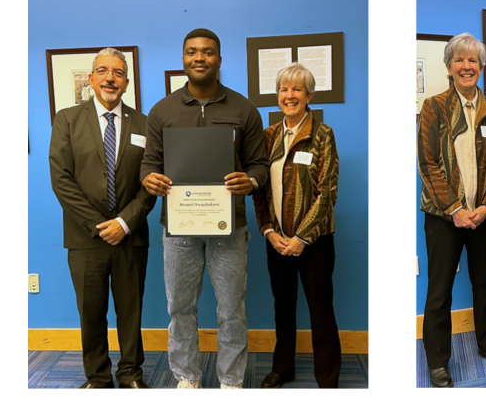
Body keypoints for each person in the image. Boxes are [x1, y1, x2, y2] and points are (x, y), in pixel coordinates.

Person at [140, 28, 269, 389]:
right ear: (183, 59)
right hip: (179, 228)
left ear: (219, 60)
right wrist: (150, 179)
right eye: (193, 52)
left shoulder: (244, 109)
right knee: (180, 308)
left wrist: (252, 181)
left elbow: (260, 165)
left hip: (230, 228)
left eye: (208, 52)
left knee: (231, 310)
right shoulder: (162, 111)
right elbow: (148, 164)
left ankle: (231, 380)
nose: (200, 58)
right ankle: (187, 376)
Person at [49, 48, 156, 388]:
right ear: (92, 78)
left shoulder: (144, 124)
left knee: (130, 311)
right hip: (85, 238)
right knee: (91, 312)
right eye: (104, 71)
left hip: (131, 234)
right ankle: (97, 376)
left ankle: (130, 373)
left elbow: (152, 181)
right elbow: (61, 179)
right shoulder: (67, 119)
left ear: (126, 82)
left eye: (119, 72)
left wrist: (124, 223)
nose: (111, 78)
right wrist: (100, 226)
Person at [417, 33, 486, 388]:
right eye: (459, 60)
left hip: (484, 214)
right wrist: (455, 208)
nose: (466, 66)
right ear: (448, 67)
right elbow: (427, 163)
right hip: (444, 216)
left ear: (481, 68)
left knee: (484, 283)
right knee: (439, 289)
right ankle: (438, 361)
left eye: (473, 61)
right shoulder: (434, 107)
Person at [253, 63, 341, 388]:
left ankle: (328, 378)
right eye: (284, 90)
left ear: (309, 95)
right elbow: (260, 189)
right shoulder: (269, 136)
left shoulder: (323, 135)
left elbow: (327, 192)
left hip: (314, 243)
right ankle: (283, 367)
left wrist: (301, 238)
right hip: (275, 240)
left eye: (296, 89)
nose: (289, 96)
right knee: (282, 308)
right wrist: (268, 231)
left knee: (320, 311)